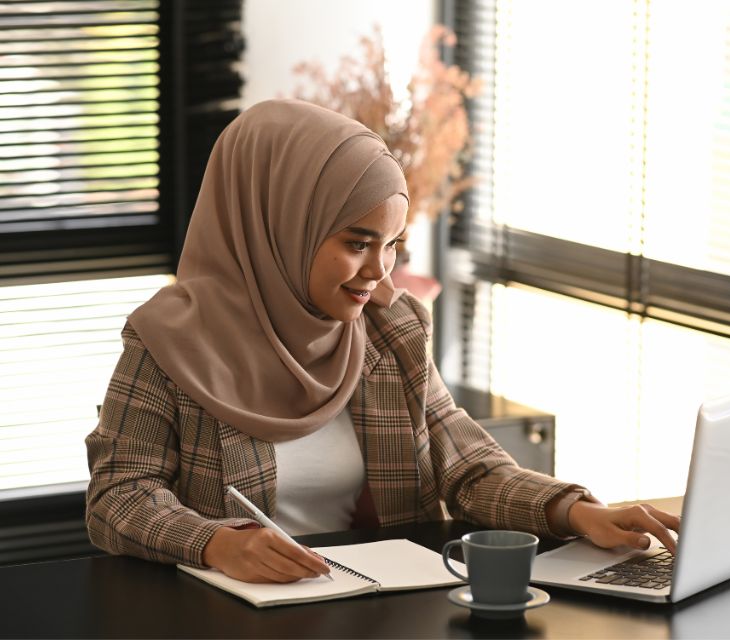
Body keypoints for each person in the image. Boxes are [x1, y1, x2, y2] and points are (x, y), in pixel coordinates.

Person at [85, 99, 679, 584]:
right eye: (357, 242)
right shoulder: (167, 343)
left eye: (392, 244)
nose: (381, 273)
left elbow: (468, 469)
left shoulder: (392, 329)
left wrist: (576, 511)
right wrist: (215, 543)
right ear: (280, 226)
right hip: (233, 616)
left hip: (386, 612)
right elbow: (119, 497)